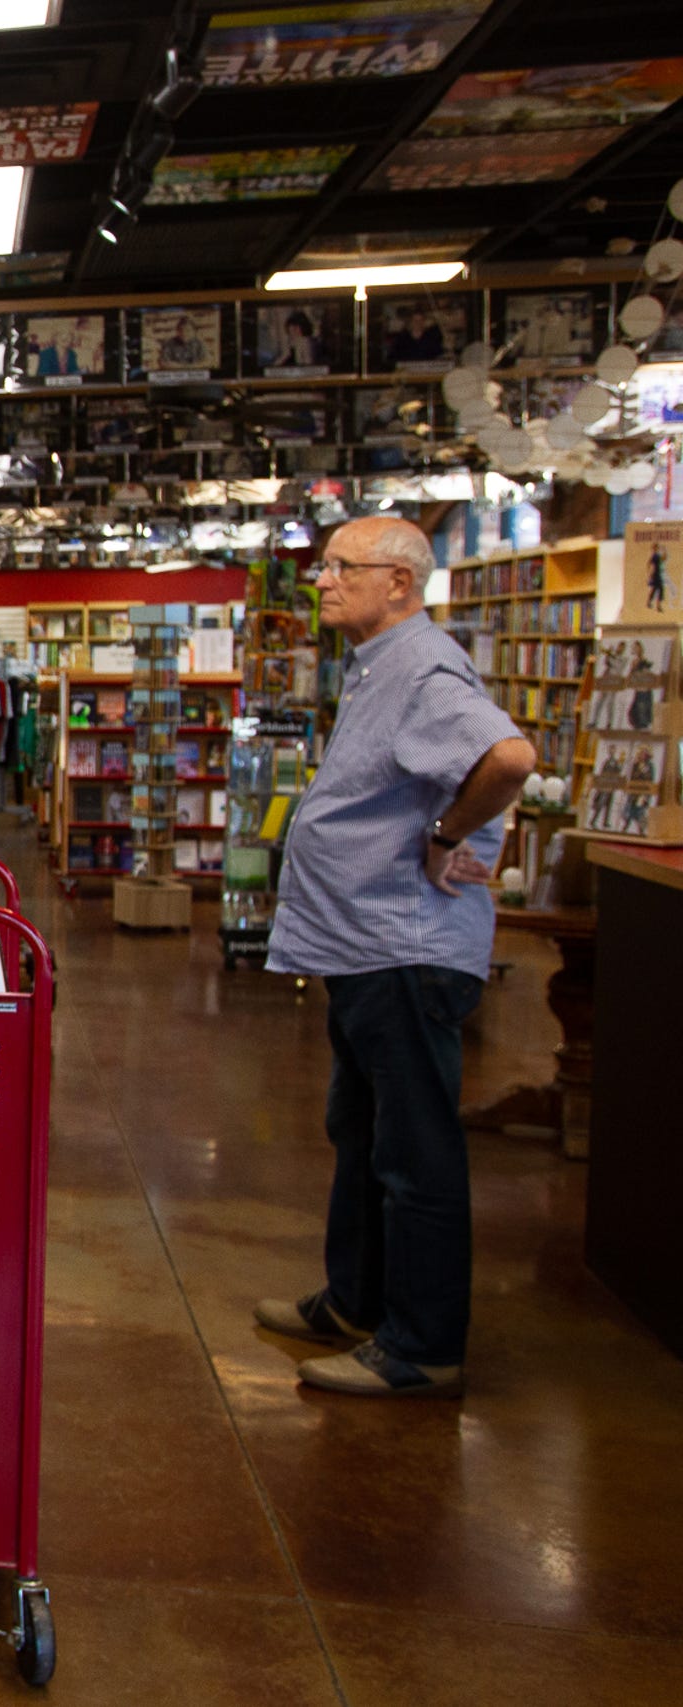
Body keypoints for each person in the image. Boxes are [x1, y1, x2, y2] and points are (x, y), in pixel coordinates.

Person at [256, 517, 536, 1399]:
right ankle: (357, 1299)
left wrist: (447, 832)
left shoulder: (422, 667)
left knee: (413, 1150)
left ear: (400, 585)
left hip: (403, 947)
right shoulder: (380, 663)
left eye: (344, 567)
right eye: (324, 565)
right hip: (365, 945)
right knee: (361, 1130)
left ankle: (421, 1344)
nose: (324, 580)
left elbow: (509, 755)